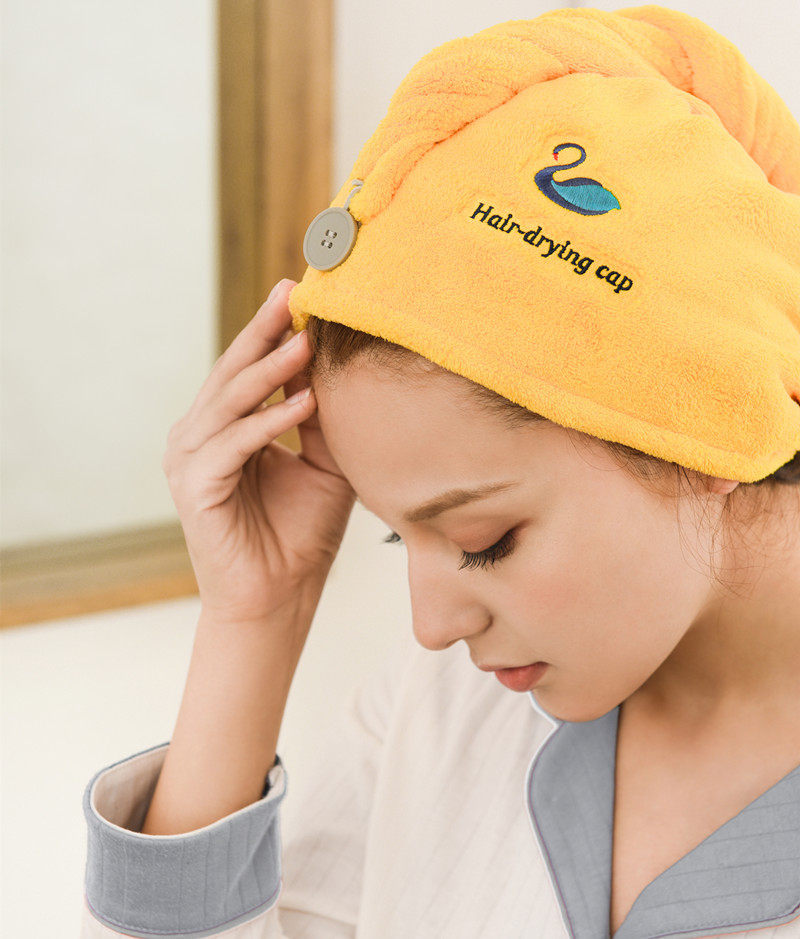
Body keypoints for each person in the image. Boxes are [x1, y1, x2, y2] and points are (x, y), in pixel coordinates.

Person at [80, 5, 800, 938]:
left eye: (483, 540)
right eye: (396, 535)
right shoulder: (446, 712)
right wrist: (254, 621)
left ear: (708, 422)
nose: (431, 627)